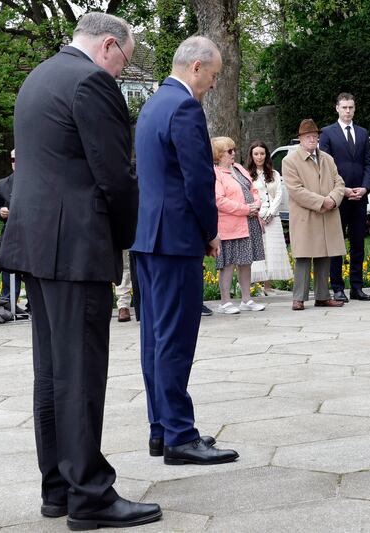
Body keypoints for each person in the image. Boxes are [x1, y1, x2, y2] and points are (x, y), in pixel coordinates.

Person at [0, 12, 161, 529]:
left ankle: (59, 489)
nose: (120, 73)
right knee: (82, 374)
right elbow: (116, 176)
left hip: (36, 243)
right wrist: (128, 237)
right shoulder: (91, 81)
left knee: (51, 371)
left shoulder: (37, 76)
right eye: (124, 62)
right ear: (109, 45)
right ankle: (90, 495)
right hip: (76, 246)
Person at [132, 36, 239, 467]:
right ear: (196, 67)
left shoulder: (152, 104)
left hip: (148, 238)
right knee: (175, 339)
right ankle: (179, 435)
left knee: (154, 339)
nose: (213, 85)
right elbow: (198, 180)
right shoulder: (185, 107)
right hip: (176, 240)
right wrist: (210, 232)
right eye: (212, 76)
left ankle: (161, 428)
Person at [283, 119, 347, 310]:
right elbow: (295, 190)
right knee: (303, 256)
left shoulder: (327, 158)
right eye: (308, 136)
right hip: (306, 215)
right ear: (300, 139)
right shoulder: (289, 160)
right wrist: (322, 201)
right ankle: (299, 298)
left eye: (315, 136)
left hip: (327, 213)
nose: (312, 139)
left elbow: (339, 183)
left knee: (324, 255)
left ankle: (322, 296)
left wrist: (333, 199)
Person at [319, 92, 370, 302]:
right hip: (338, 197)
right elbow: (325, 166)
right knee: (336, 244)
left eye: (351, 107)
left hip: (359, 197)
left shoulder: (362, 133)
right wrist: (342, 190)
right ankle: (338, 287)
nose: (348, 111)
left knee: (358, 243)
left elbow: (368, 164)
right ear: (337, 108)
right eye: (344, 107)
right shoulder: (327, 133)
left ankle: (357, 287)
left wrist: (365, 187)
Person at [213, 136, 266, 314]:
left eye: (234, 149)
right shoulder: (216, 173)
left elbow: (253, 189)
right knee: (227, 264)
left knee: (246, 262)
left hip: (249, 222)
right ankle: (225, 302)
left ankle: (246, 299)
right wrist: (244, 209)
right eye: (229, 151)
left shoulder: (238, 168)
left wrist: (256, 204)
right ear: (219, 155)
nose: (234, 153)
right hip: (230, 226)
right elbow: (219, 200)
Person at [247, 140, 292, 293]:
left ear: (266, 155)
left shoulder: (274, 174)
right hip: (256, 216)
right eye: (256, 154)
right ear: (251, 156)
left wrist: (271, 213)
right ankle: (255, 285)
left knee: (271, 250)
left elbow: (279, 194)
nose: (259, 157)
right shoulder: (247, 175)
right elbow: (249, 196)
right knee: (258, 250)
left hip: (273, 217)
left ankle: (268, 285)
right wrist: (259, 214)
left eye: (262, 153)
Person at [0, 149, 23, 308]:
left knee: (34, 274)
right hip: (10, 236)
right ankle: (9, 306)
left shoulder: (38, 181)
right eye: (13, 160)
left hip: (34, 236)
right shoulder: (3, 184)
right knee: (9, 271)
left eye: (19, 159)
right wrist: (0, 212)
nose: (15, 163)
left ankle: (35, 306)